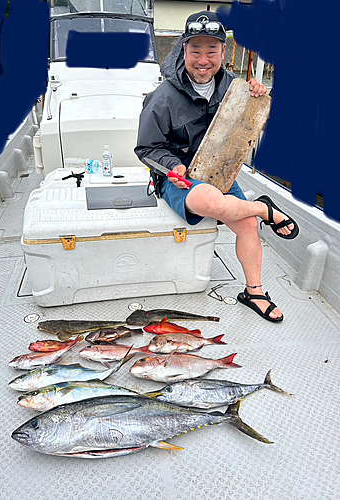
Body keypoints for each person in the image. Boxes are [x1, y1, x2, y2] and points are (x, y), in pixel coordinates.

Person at [135, 11, 299, 323]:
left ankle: (254, 291)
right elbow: (146, 148)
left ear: (224, 52)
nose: (203, 59)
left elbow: (248, 124)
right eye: (195, 49)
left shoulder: (235, 88)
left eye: (212, 50)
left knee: (247, 225)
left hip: (219, 171)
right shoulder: (162, 97)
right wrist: (172, 167)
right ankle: (262, 208)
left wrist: (256, 97)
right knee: (209, 200)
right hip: (179, 178)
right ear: (183, 50)